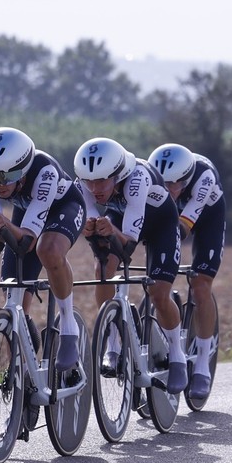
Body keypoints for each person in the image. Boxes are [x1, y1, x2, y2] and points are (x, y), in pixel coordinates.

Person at [73, 137, 188, 394]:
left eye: (102, 180)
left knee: (158, 294)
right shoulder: (84, 184)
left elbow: (127, 245)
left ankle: (177, 355)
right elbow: (90, 224)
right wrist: (93, 229)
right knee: (102, 270)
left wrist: (107, 230)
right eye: (89, 181)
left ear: (118, 173)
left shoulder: (137, 179)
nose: (95, 188)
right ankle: (113, 345)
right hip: (121, 217)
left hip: (160, 225)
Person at [0, 126, 86, 370]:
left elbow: (29, 240)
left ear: (22, 170)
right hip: (27, 210)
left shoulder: (45, 171)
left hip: (63, 207)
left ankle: (68, 326)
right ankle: (20, 369)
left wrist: (2, 224)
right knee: (14, 293)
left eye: (5, 178)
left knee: (48, 249)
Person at [147, 143, 225, 398]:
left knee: (201, 286)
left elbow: (182, 228)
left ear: (186, 179)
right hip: (168, 215)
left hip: (206, 216)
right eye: (163, 184)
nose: (168, 190)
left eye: (174, 185)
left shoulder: (203, 178)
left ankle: (202, 364)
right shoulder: (151, 178)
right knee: (155, 282)